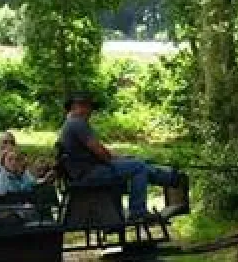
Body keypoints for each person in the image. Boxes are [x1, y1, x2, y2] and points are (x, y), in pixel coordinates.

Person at [57, 91, 182, 221]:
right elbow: (99, 151)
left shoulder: (70, 124)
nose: (90, 111)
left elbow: (98, 150)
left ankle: (168, 178)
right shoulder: (77, 123)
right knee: (138, 167)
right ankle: (139, 210)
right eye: (88, 107)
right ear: (76, 106)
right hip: (89, 174)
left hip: (84, 171)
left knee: (136, 163)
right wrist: (114, 161)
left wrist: (121, 158)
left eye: (90, 108)